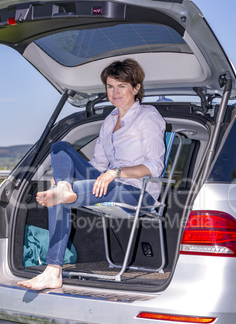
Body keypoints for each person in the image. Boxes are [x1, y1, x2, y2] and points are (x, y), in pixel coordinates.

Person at [18, 58, 166, 290]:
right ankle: (64, 188)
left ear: (136, 88)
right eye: (110, 86)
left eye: (122, 86)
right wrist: (64, 175)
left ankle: (52, 271)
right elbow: (97, 164)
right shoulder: (108, 122)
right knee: (59, 148)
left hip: (140, 192)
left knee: (60, 196)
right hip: (108, 183)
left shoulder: (148, 117)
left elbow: (154, 166)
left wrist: (114, 173)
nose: (114, 92)